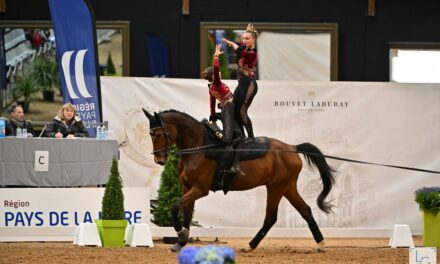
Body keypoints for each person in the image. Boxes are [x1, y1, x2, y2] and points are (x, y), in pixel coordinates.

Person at [201, 43, 242, 175]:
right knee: (227, 139)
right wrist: (216, 56)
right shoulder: (216, 83)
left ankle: (236, 164)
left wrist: (213, 116)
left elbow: (212, 104)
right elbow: (216, 67)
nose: (220, 73)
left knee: (238, 136)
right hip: (228, 109)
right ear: (213, 76)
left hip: (228, 109)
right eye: (217, 73)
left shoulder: (212, 88)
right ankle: (206, 124)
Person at [223, 23, 258, 142]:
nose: (244, 40)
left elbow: (240, 49)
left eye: (247, 38)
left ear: (254, 40)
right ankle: (241, 136)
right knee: (234, 109)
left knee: (242, 110)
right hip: (242, 83)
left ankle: (251, 137)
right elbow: (241, 47)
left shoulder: (252, 53)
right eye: (243, 38)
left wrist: (232, 44)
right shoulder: (245, 49)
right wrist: (232, 43)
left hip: (249, 84)